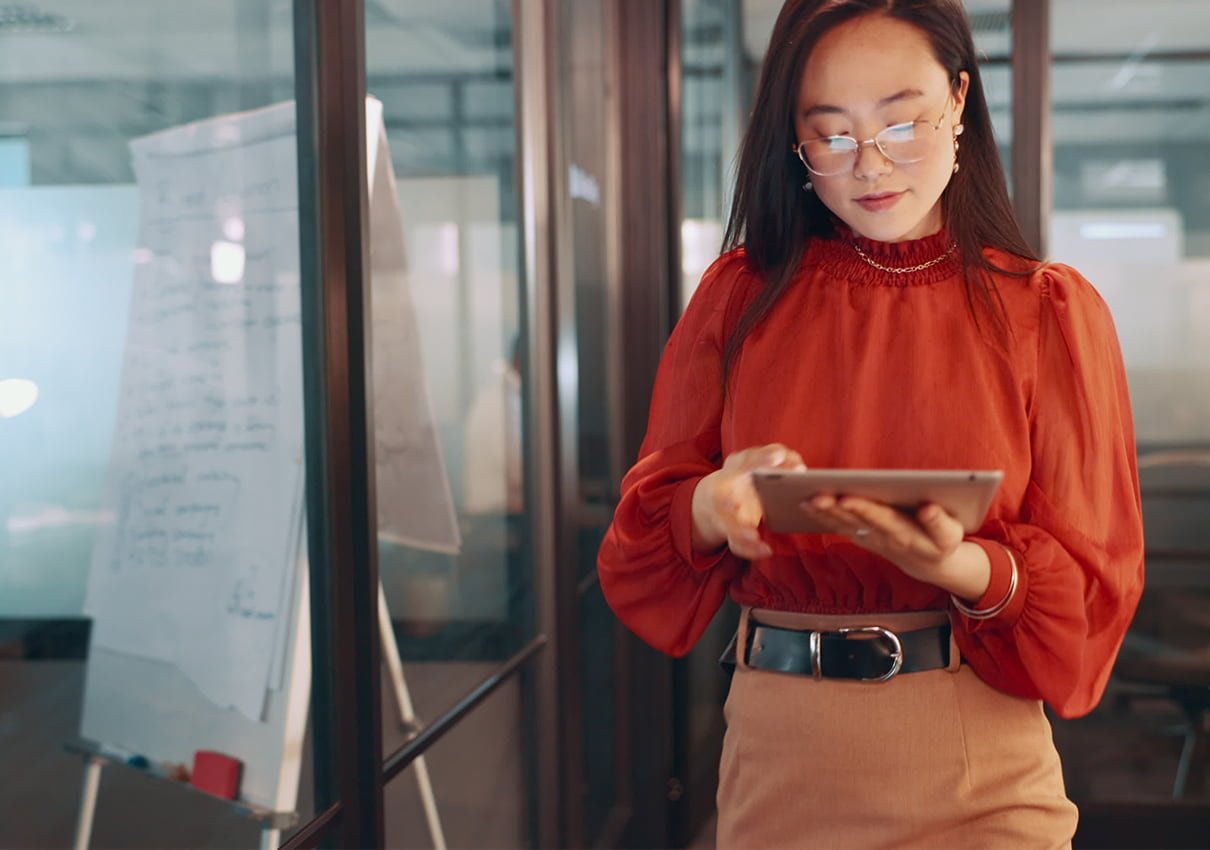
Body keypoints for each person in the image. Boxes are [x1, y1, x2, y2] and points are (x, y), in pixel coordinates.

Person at [596, 1, 1145, 847]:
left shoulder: (1045, 312)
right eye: (834, 136)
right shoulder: (740, 297)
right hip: (779, 760)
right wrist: (711, 504)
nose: (872, 165)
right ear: (794, 141)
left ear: (959, 101)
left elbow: (1092, 596)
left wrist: (962, 566)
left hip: (975, 756)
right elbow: (637, 558)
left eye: (902, 123)